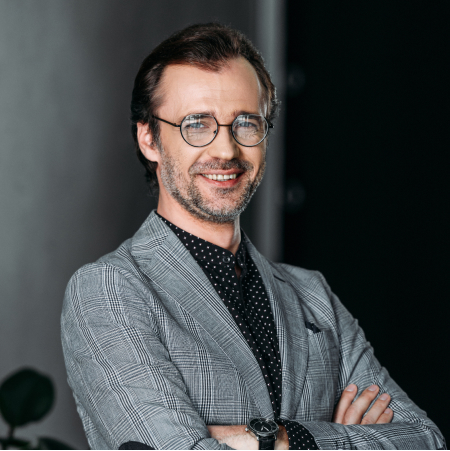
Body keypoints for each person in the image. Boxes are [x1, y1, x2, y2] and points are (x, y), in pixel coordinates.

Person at [61, 23, 445, 450]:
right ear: (149, 138)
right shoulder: (110, 290)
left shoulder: (313, 295)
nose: (226, 150)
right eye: (197, 124)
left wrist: (278, 439)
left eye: (245, 123)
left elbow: (425, 440)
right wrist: (346, 439)